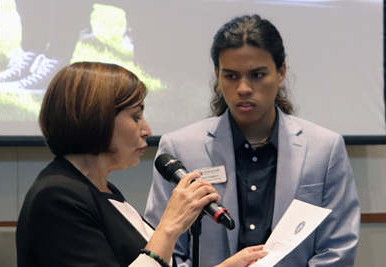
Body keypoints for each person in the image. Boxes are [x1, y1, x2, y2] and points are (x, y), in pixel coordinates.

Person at [145, 14, 360, 267]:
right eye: (231, 76)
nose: (244, 88)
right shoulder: (180, 149)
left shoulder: (325, 148)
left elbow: (338, 249)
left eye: (257, 75)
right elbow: (163, 250)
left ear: (281, 72)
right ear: (217, 75)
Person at [16, 61, 268, 267]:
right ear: (97, 118)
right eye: (136, 117)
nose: (146, 129)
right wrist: (170, 227)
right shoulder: (57, 197)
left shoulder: (104, 192)